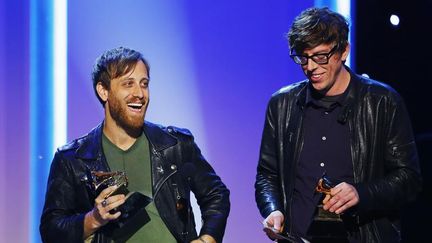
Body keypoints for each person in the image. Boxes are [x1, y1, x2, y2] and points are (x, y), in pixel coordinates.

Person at [255, 7, 422, 243]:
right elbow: (267, 174)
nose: (310, 67)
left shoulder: (383, 102)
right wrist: (273, 209)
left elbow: (409, 179)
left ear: (344, 51)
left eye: (320, 56)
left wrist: (361, 194)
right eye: (303, 57)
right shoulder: (281, 105)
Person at [40, 47, 230, 243]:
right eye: (128, 84)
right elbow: (51, 231)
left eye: (144, 84)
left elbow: (216, 194)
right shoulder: (73, 159)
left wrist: (207, 239)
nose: (139, 93)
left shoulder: (175, 146)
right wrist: (94, 219)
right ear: (103, 91)